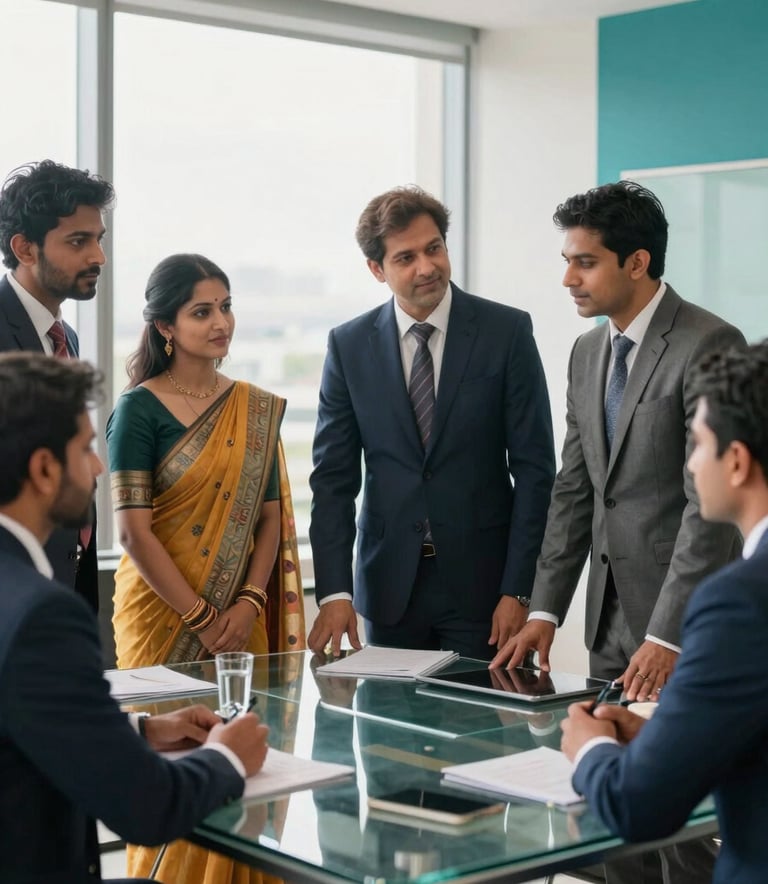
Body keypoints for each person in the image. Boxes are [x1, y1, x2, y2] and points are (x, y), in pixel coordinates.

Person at [490, 181, 745, 884]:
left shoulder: (708, 342)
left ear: (637, 262)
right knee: (615, 822)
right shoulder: (585, 352)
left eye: (585, 262)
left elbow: (707, 508)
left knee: (684, 822)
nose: (568, 278)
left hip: (680, 626)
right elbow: (576, 490)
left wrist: (668, 635)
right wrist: (545, 610)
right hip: (607, 623)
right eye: (567, 261)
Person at [0, 351, 270, 884]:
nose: (99, 468)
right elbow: (146, 807)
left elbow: (22, 713)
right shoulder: (43, 616)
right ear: (45, 469)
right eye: (85, 449)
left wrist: (141, 729)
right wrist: (228, 758)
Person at [106, 253, 305, 883]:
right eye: (201, 312)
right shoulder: (138, 410)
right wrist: (200, 615)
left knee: (245, 775)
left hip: (240, 626)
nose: (221, 322)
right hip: (160, 619)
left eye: (226, 307)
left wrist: (246, 605)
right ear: (166, 326)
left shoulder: (253, 409)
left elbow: (270, 519)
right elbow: (132, 532)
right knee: (173, 768)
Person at [308, 185, 555, 660]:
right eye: (406, 258)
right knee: (388, 712)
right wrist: (335, 593)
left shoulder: (506, 332)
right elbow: (332, 481)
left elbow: (536, 471)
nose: (427, 267)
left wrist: (520, 589)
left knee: (483, 710)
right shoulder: (348, 346)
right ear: (376, 269)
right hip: (389, 589)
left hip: (487, 592)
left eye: (434, 248)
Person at [561, 340, 768, 884]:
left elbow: (638, 806)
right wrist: (665, 739)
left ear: (737, 462)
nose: (691, 463)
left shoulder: (738, 603)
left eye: (698, 444)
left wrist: (590, 748)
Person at [0, 159, 114, 611]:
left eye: (99, 239)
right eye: (78, 241)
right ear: (25, 249)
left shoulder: (66, 338)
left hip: (67, 581)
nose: (98, 257)